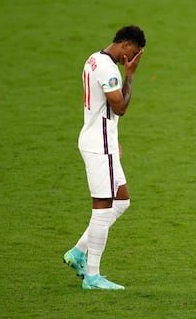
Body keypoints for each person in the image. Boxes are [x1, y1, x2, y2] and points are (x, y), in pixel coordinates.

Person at [63, 25, 146, 290]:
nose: (129, 60)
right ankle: (92, 276)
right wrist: (130, 77)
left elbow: (102, 109)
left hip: (100, 140)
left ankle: (78, 252)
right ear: (123, 44)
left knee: (121, 202)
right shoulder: (110, 70)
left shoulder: (94, 58)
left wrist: (113, 137)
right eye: (130, 54)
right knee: (102, 206)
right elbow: (119, 107)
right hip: (99, 147)